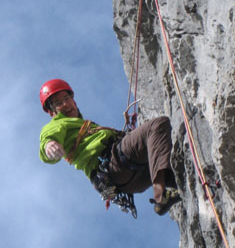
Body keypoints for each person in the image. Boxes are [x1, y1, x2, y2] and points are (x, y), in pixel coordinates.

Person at [38, 78, 180, 216]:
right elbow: (47, 139)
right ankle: (160, 194)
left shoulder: (83, 126)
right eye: (58, 103)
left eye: (67, 99)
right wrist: (49, 146)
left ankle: (180, 187)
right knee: (157, 125)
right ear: (52, 112)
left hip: (130, 182)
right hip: (114, 163)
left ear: (73, 100)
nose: (65, 104)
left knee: (179, 171)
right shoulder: (58, 125)